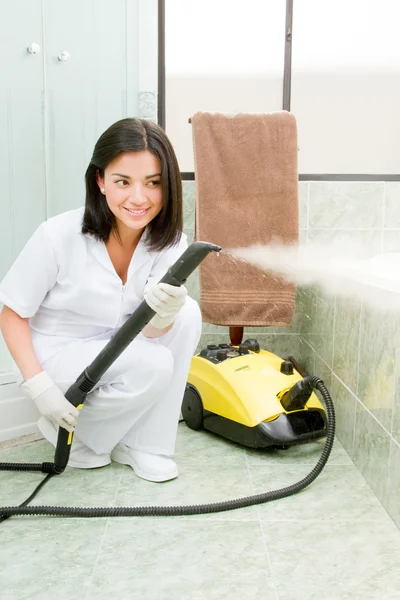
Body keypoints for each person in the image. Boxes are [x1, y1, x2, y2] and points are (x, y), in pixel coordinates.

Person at [0, 118, 202, 482]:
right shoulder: (58, 236)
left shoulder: (171, 242)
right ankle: (74, 436)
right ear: (100, 181)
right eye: (123, 182)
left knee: (187, 312)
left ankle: (145, 445)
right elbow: (13, 313)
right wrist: (41, 389)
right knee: (152, 365)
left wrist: (166, 314)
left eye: (153, 183)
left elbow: (158, 334)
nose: (138, 198)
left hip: (119, 349)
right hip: (59, 354)